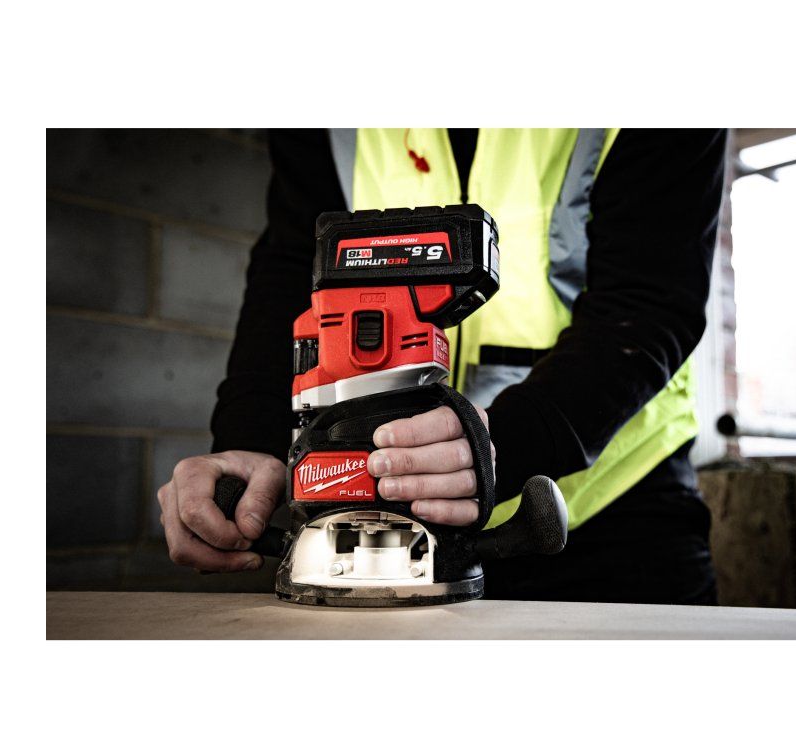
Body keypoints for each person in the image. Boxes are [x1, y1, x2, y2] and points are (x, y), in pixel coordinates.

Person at [158, 128, 726, 604]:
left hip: (607, 502)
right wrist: (249, 438)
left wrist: (508, 441)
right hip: (382, 504)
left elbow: (647, 302)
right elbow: (295, 268)